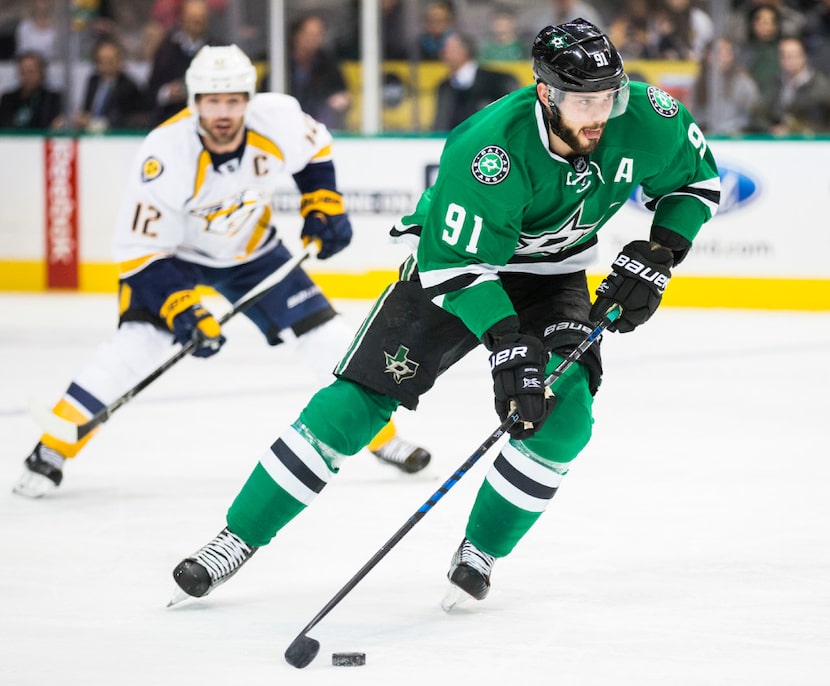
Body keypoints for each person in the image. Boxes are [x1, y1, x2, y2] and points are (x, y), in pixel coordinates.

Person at [168, 20, 720, 611]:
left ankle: (480, 549)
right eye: (582, 100)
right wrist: (507, 342)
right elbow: (455, 265)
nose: (599, 113)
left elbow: (697, 180)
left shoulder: (648, 116)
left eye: (608, 96)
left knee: (564, 413)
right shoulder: (487, 150)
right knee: (357, 401)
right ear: (545, 93)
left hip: (552, 275)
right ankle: (237, 537)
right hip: (456, 272)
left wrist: (662, 252)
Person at [12, 44, 431, 500]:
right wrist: (182, 308)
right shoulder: (164, 154)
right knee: (136, 346)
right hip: (174, 260)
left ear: (248, 99)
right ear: (194, 102)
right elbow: (138, 253)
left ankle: (380, 439)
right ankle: (53, 447)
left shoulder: (278, 118)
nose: (223, 112)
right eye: (212, 101)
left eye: (233, 100)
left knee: (327, 338)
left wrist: (322, 202)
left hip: (253, 252)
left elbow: (317, 151)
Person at [432, 32, 520, 131]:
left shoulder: (497, 80)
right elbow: (441, 122)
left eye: (448, 49)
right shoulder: (445, 87)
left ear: (464, 51)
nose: (444, 53)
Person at [147, 0, 213, 127]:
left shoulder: (217, 49)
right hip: (171, 120)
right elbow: (151, 90)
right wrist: (167, 92)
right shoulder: (165, 50)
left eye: (200, 20)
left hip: (207, 123)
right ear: (182, 19)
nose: (196, 24)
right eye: (192, 19)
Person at [750, 36, 830, 134]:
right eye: (784, 56)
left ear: (803, 56)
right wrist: (771, 129)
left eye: (793, 55)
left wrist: (808, 131)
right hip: (779, 143)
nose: (789, 60)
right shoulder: (774, 84)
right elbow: (760, 115)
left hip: (813, 142)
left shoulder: (822, 86)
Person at [287, 13, 351, 131]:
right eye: (309, 34)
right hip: (287, 127)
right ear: (296, 36)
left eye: (318, 35)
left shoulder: (329, 64)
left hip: (320, 127)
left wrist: (339, 102)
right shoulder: (281, 64)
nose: (313, 39)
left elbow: (342, 93)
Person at [73, 36, 150, 132]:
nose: (106, 66)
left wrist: (95, 123)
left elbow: (124, 119)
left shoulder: (128, 87)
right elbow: (86, 109)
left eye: (110, 61)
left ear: (120, 61)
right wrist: (80, 118)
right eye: (101, 61)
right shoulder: (93, 81)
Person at [0, 50, 63, 129]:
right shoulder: (8, 98)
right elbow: (5, 126)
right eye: (23, 72)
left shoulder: (52, 99)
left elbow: (49, 125)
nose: (27, 77)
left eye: (31, 72)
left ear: (41, 73)